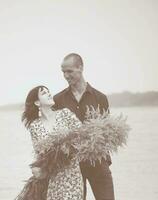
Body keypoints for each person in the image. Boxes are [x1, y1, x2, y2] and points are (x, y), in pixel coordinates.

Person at [53, 53, 115, 200]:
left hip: (99, 163)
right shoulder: (58, 100)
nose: (66, 75)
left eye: (69, 71)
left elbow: (107, 132)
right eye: (63, 72)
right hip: (71, 167)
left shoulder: (100, 98)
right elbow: (55, 133)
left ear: (80, 68)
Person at [22, 85, 84, 200]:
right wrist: (36, 168)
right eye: (44, 93)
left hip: (71, 174)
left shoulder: (65, 114)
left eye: (49, 91)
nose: (49, 94)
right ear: (37, 102)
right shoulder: (35, 126)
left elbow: (82, 135)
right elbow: (39, 153)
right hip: (52, 178)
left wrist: (68, 147)